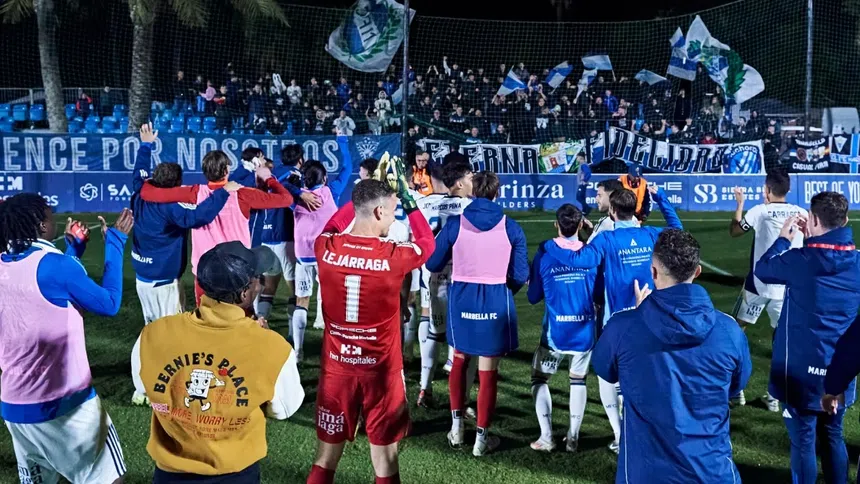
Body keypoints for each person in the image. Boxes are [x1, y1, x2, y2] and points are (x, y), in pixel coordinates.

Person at [133, 241, 304, 483]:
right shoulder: (272, 347)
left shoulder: (153, 334)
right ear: (245, 293)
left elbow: (144, 386)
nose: (261, 282)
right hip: (235, 475)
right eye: (257, 278)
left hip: (169, 474)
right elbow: (284, 408)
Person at [593, 229, 751, 483]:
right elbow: (736, 385)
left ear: (653, 272)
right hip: (711, 472)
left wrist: (640, 316)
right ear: (697, 271)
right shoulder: (729, 330)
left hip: (646, 474)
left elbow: (604, 369)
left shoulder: (622, 327)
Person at [306, 176, 435, 484]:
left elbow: (333, 225)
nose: (393, 218)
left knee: (325, 460)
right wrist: (410, 202)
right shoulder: (393, 255)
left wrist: (361, 191)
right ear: (379, 212)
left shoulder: (325, 247)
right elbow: (427, 244)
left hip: (337, 370)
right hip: (381, 372)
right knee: (386, 461)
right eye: (393, 211)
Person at [0, 194, 134, 484]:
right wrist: (115, 242)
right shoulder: (56, 267)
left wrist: (73, 251)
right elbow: (109, 303)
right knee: (109, 479)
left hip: (14, 406)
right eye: (51, 216)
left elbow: (45, 288)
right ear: (41, 225)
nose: (55, 221)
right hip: (65, 405)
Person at [541, 186, 681, 453]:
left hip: (618, 321)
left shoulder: (606, 240)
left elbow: (579, 260)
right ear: (634, 210)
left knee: (608, 377)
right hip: (649, 316)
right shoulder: (650, 234)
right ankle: (647, 432)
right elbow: (678, 229)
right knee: (644, 375)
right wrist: (661, 198)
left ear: (613, 211)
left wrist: (550, 246)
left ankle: (620, 435)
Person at [129, 124, 241, 405]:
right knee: (168, 334)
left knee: (149, 329)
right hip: (163, 281)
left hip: (142, 276)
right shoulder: (170, 207)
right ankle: (159, 387)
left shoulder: (140, 192)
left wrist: (145, 145)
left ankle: (140, 388)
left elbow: (138, 171)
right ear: (175, 186)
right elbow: (199, 216)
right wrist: (224, 192)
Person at [755, 192, 860, 484]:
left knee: (803, 440)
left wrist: (783, 239)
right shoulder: (857, 262)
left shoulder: (798, 260)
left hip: (800, 372)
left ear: (812, 219)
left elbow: (762, 270)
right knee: (833, 434)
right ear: (845, 221)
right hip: (841, 370)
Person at [426, 171, 529, 456]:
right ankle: (481, 440)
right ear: (498, 193)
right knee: (488, 371)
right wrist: (504, 290)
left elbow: (433, 263)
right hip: (495, 297)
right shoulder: (511, 227)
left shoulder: (456, 224)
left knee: (459, 361)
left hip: (462, 297)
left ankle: (457, 429)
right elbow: (520, 274)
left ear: (473, 192)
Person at [138, 150, 296, 305]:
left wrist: (145, 182)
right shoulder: (243, 194)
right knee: (237, 317)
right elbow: (286, 199)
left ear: (205, 172)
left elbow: (147, 194)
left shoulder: (194, 192)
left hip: (204, 270)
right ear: (227, 170)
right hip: (236, 268)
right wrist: (268, 179)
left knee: (205, 316)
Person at [727, 170, 806, 409]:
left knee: (735, 330)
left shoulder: (760, 211)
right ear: (788, 190)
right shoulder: (800, 213)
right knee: (781, 342)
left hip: (758, 285)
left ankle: (736, 391)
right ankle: (774, 398)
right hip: (786, 290)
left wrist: (739, 204)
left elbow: (735, 231)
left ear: (767, 190)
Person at [528, 204, 596, 453]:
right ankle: (573, 437)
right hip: (584, 330)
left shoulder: (545, 254)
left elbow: (533, 297)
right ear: (580, 224)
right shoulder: (590, 255)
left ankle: (547, 436)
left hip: (555, 332)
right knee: (577, 379)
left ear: (556, 224)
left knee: (539, 377)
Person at [291, 138, 354, 361]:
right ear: (324, 178)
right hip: (326, 254)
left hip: (303, 256)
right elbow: (348, 168)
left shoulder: (295, 196)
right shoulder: (331, 191)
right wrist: (342, 142)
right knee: (331, 299)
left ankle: (298, 351)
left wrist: (296, 188)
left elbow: (275, 183)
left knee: (301, 300)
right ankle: (331, 351)